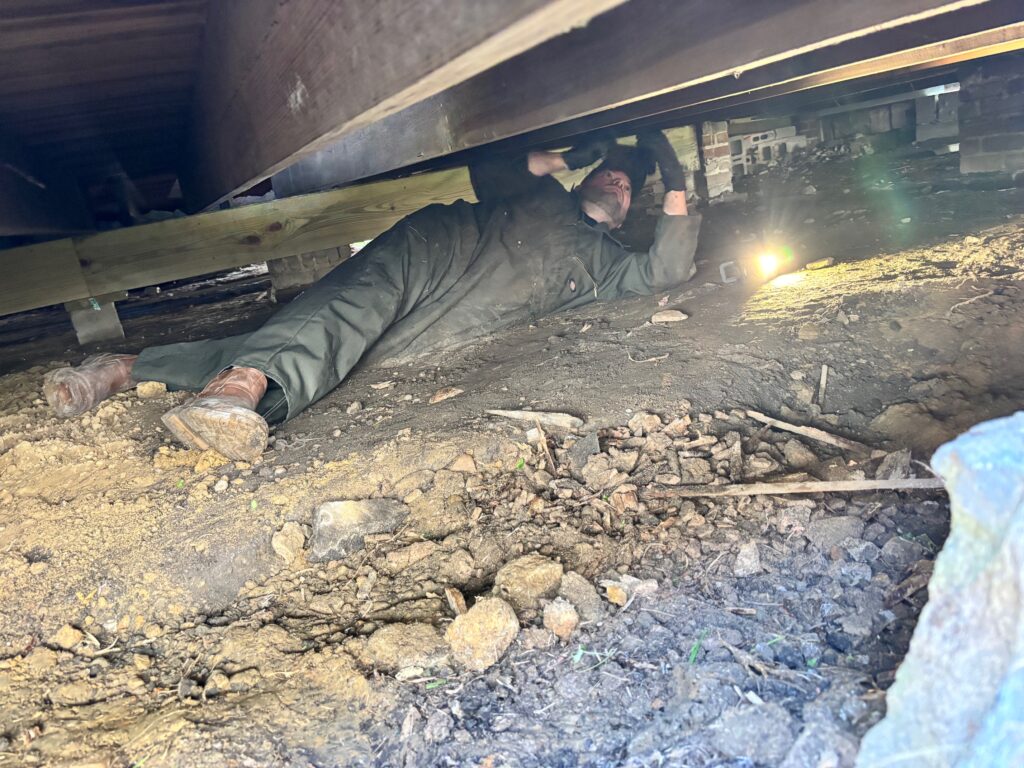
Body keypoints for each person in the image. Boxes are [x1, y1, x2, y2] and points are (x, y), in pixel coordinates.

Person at [44, 131, 701, 461]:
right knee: (344, 314)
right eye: (607, 171)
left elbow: (665, 272)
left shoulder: (608, 267)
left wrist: (672, 181)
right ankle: (241, 390)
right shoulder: (542, 195)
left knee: (330, 340)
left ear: (630, 207)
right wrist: (566, 155)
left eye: (626, 185)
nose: (614, 181)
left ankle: (126, 369)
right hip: (435, 252)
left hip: (447, 322)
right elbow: (492, 169)